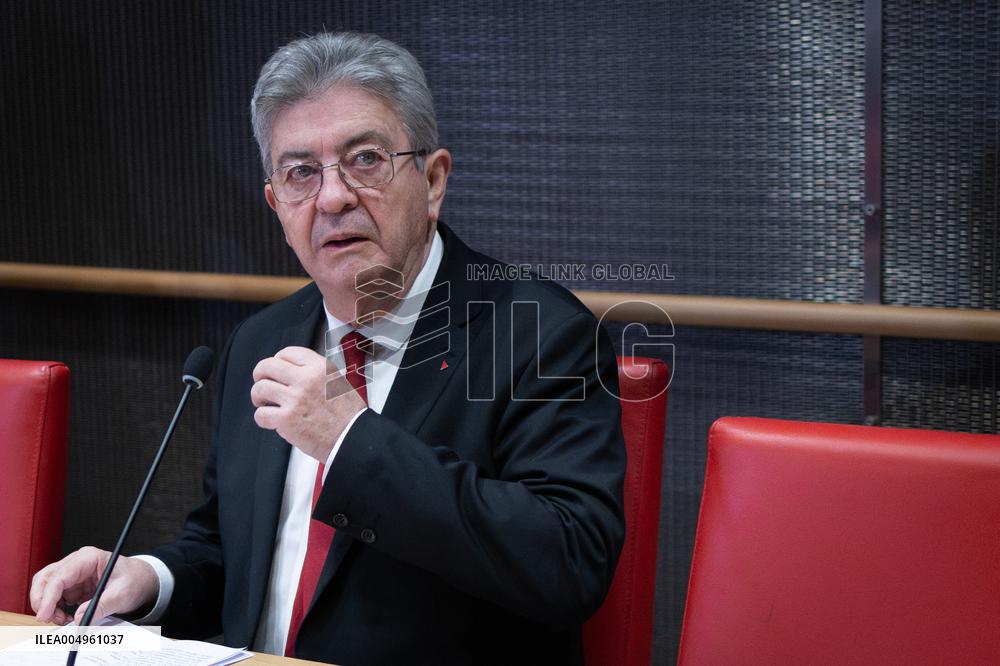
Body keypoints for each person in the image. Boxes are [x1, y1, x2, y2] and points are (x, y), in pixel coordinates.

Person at [30, 32, 626, 665]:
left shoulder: (537, 332)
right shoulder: (261, 341)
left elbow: (568, 562)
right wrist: (149, 580)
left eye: (365, 159)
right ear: (277, 206)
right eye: (300, 174)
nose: (333, 197)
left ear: (432, 180)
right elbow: (233, 551)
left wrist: (351, 441)